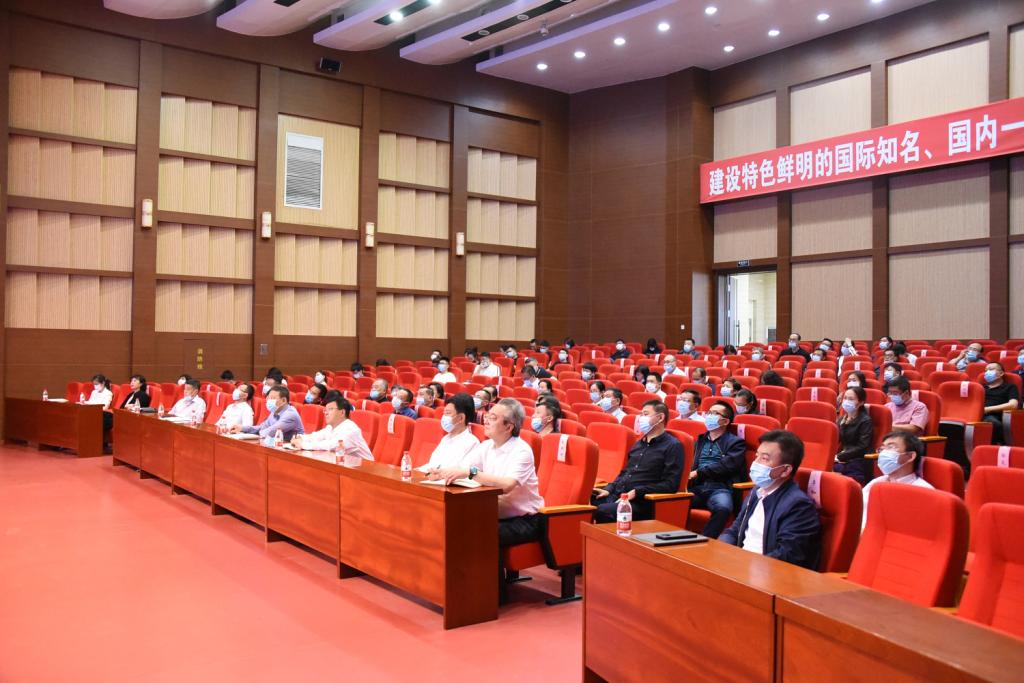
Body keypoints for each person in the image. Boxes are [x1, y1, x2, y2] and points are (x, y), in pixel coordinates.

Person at [429, 398, 544, 599]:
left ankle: (491, 595)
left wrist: (471, 473)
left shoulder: (522, 451)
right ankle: (455, 586)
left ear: (509, 426)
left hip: (525, 519)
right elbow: (464, 468)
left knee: (480, 531)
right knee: (451, 522)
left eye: (493, 418)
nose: (486, 421)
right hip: (493, 512)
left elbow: (507, 485)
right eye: (487, 416)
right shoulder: (486, 446)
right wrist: (442, 473)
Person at [719, 430, 822, 569]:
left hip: (766, 572)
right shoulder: (757, 491)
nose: (755, 463)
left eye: (764, 459)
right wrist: (720, 550)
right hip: (740, 564)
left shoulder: (798, 505)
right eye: (756, 456)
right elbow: (735, 529)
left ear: (785, 470)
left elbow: (787, 555)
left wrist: (744, 565)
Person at [591, 400, 684, 522]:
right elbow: (625, 473)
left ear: (660, 417)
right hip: (620, 495)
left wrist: (637, 492)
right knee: (585, 502)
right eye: (641, 414)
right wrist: (608, 489)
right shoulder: (639, 443)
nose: (641, 418)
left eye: (645, 414)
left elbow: (671, 484)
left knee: (603, 510)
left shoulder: (673, 446)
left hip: (643, 501)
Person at [688, 401, 746, 538]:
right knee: (672, 502)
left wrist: (698, 473)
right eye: (709, 412)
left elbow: (726, 466)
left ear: (725, 421)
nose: (709, 416)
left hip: (719, 488)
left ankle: (706, 541)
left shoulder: (736, 443)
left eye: (715, 413)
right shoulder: (700, 440)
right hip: (697, 487)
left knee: (723, 508)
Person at [861, 431, 933, 529]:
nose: (884, 453)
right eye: (882, 449)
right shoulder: (876, 482)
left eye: (891, 447)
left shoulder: (923, 491)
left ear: (910, 456)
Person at [292, 396, 372, 460]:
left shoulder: (351, 429)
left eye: (330, 409)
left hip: (364, 469)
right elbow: (316, 436)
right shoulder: (330, 427)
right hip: (345, 465)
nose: (326, 413)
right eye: (325, 410)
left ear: (342, 412)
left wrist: (303, 444)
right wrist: (300, 437)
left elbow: (331, 446)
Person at [420, 393, 480, 471]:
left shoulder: (472, 443)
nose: (443, 417)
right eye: (444, 413)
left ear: (461, 418)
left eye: (447, 413)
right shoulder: (446, 438)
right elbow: (432, 465)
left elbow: (463, 472)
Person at [833, 386, 874, 485]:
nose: (846, 401)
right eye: (845, 398)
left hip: (858, 460)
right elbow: (835, 439)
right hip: (843, 458)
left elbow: (863, 446)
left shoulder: (865, 421)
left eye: (851, 399)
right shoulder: (842, 419)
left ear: (861, 402)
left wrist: (840, 456)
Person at [233, 385, 303, 441]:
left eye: (272, 398)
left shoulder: (290, 415)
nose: (269, 401)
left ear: (284, 400)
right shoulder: (275, 411)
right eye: (268, 398)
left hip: (294, 449)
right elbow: (261, 427)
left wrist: (256, 434)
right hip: (278, 445)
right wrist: (242, 428)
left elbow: (272, 431)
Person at [982, 362, 1020, 444]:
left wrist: (987, 409)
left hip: (994, 415)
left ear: (1001, 373)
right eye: (986, 370)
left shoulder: (1010, 387)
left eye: (991, 369)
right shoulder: (981, 387)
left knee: (992, 423)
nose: (987, 372)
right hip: (976, 413)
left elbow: (1013, 405)